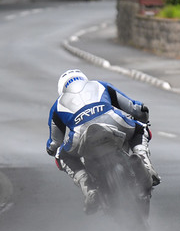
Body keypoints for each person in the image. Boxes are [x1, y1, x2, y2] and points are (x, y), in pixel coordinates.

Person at [46, 69, 160, 214]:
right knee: (139, 128)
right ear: (84, 79)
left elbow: (54, 144)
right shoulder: (100, 85)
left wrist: (51, 149)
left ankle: (90, 190)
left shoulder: (57, 105)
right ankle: (147, 166)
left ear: (61, 89)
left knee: (63, 155)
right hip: (114, 122)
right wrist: (142, 117)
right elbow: (135, 108)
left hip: (81, 135)